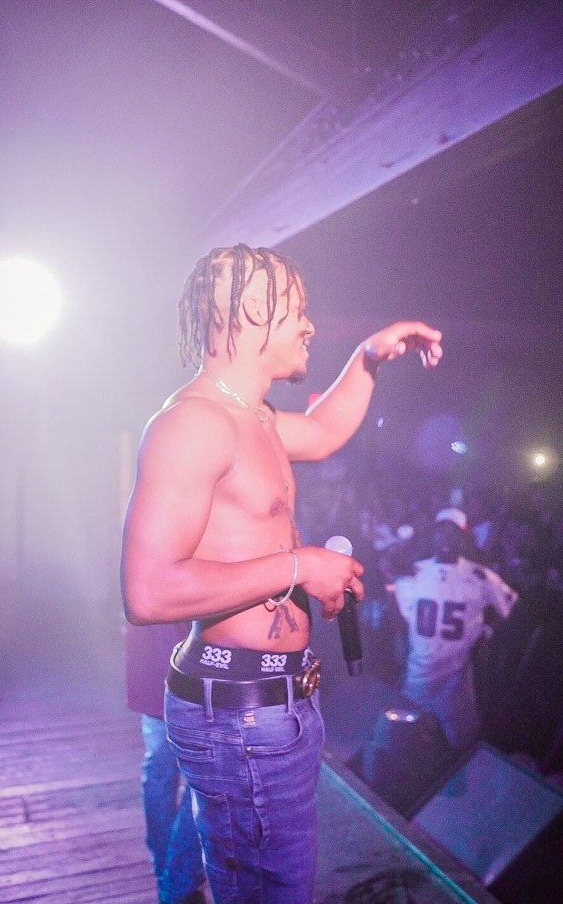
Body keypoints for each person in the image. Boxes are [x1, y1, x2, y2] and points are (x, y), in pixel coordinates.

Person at [120, 243, 442, 904]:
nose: (310, 325)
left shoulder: (254, 417)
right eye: (298, 309)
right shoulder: (194, 423)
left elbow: (322, 432)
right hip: (238, 716)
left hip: (271, 704)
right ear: (251, 310)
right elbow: (147, 592)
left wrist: (369, 357)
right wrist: (301, 566)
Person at [394, 507, 517, 750]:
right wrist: (400, 640)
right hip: (420, 673)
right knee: (405, 739)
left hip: (456, 677)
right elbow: (403, 614)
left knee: (464, 743)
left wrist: (487, 632)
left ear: (463, 538)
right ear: (434, 534)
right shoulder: (415, 572)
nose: (447, 538)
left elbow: (509, 602)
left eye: (454, 532)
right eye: (442, 531)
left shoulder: (479, 575)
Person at [125, 621, 206, 904]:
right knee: (201, 782)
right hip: (194, 676)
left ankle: (168, 874)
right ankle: (178, 882)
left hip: (154, 671)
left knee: (160, 776)